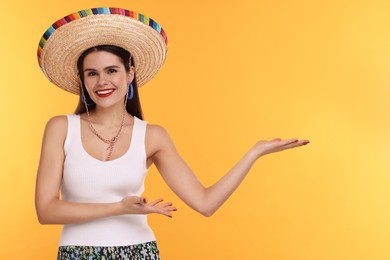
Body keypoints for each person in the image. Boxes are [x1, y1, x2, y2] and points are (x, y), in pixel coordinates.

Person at [35, 7, 309, 260]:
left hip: (139, 252)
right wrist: (119, 208)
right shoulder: (61, 128)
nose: (102, 82)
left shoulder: (152, 136)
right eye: (91, 73)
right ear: (82, 80)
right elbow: (46, 211)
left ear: (130, 73)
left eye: (112, 70)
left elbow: (205, 204)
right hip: (77, 254)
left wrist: (254, 153)